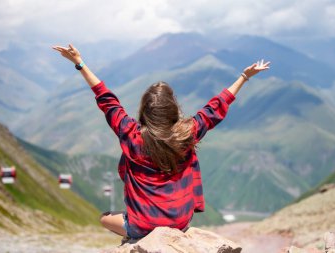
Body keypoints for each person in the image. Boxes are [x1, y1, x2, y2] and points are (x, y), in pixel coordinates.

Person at [52, 44, 270, 239]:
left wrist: (80, 63)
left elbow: (106, 99)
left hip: (142, 227)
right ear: (173, 109)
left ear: (145, 110)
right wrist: (244, 76)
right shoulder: (187, 133)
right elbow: (216, 107)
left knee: (105, 217)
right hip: (180, 223)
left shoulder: (130, 133)